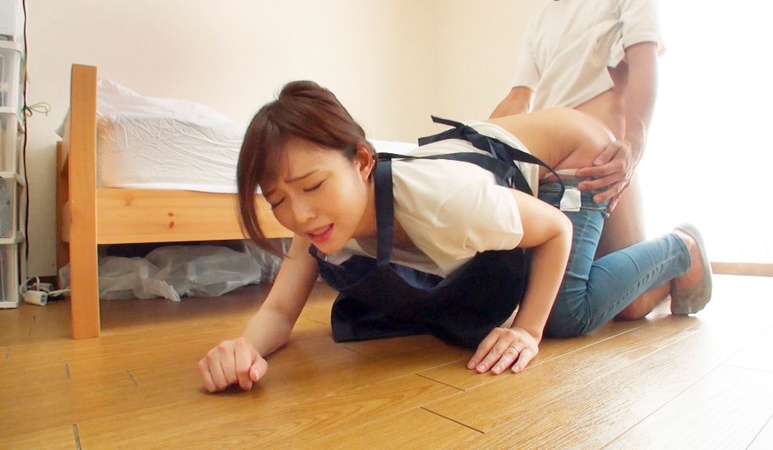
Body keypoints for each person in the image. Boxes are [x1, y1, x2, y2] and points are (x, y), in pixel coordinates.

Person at [197, 80, 710, 393]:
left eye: (312, 186)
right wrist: (242, 349)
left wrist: (526, 332)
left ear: (362, 161)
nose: (301, 214)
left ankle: (681, 245)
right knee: (632, 308)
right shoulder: (319, 224)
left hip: (574, 157)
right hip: (513, 176)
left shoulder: (443, 202)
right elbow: (279, 311)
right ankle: (661, 278)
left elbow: (553, 231)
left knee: (565, 314)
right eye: (278, 200)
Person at [490, 0, 667, 320]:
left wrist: (633, 146)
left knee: (630, 305)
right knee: (616, 302)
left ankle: (685, 246)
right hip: (556, 168)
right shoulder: (539, 23)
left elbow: (645, 60)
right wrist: (468, 144)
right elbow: (519, 99)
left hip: (602, 164)